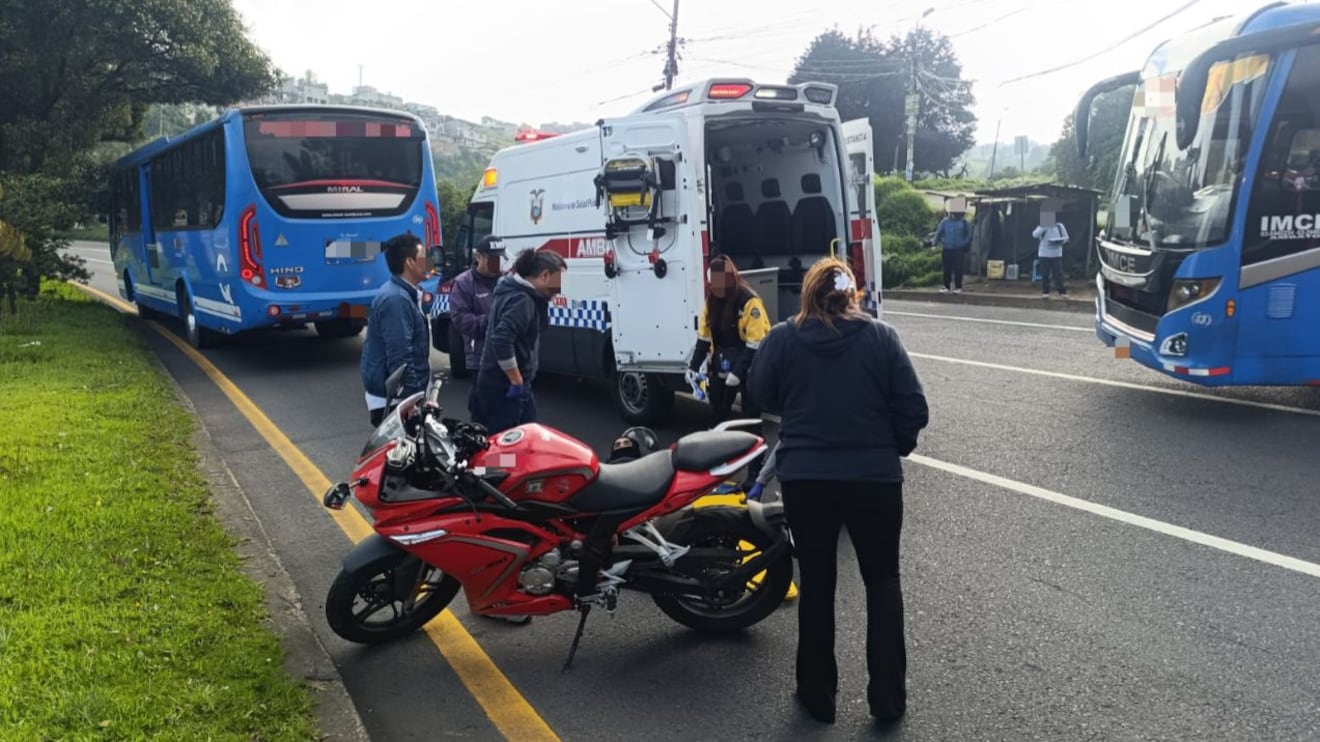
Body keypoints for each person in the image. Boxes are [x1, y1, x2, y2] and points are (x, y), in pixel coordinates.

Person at [749, 257, 929, 725]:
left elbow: (761, 392)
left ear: (807, 292)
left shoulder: (785, 338)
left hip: (807, 480)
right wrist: (894, 448)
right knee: (883, 582)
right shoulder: (881, 337)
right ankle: (888, 702)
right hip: (874, 480)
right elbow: (914, 407)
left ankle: (817, 696)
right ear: (852, 294)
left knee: (818, 584)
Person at [472, 248, 566, 433]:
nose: (559, 289)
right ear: (545, 275)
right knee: (506, 449)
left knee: (525, 440)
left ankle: (507, 463)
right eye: (558, 281)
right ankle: (501, 463)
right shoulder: (522, 301)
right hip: (503, 389)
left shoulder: (512, 291)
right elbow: (501, 339)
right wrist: (516, 381)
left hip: (505, 385)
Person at [686, 255, 771, 429]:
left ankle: (754, 447)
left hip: (749, 364)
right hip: (722, 361)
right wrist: (693, 367)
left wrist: (739, 372)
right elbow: (704, 337)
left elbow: (757, 342)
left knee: (751, 415)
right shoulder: (711, 302)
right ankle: (717, 446)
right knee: (717, 411)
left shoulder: (748, 301)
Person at [360, 232, 431, 427]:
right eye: (425, 258)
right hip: (395, 402)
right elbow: (400, 356)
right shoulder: (396, 300)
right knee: (400, 455)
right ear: (410, 263)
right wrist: (415, 399)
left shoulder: (404, 294)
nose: (430, 263)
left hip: (399, 399)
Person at [449, 236, 506, 420]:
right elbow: (461, 320)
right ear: (478, 257)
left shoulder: (506, 281)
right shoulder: (464, 283)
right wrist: (493, 322)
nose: (497, 263)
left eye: (500, 258)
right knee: (483, 416)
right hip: (481, 360)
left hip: (509, 357)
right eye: (492, 259)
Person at [933, 210, 973, 293]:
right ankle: (946, 286)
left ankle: (958, 287)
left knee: (958, 268)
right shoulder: (945, 222)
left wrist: (963, 242)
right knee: (946, 268)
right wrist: (934, 244)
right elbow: (939, 233)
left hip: (959, 249)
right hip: (947, 248)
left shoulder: (964, 222)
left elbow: (969, 234)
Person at [1033, 216, 1070, 298]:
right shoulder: (1043, 226)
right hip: (1044, 254)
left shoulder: (1060, 226)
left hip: (1057, 254)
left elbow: (1066, 238)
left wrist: (1061, 241)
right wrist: (1044, 227)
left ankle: (1062, 291)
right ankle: (1045, 292)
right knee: (1045, 274)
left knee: (1058, 274)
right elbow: (1035, 235)